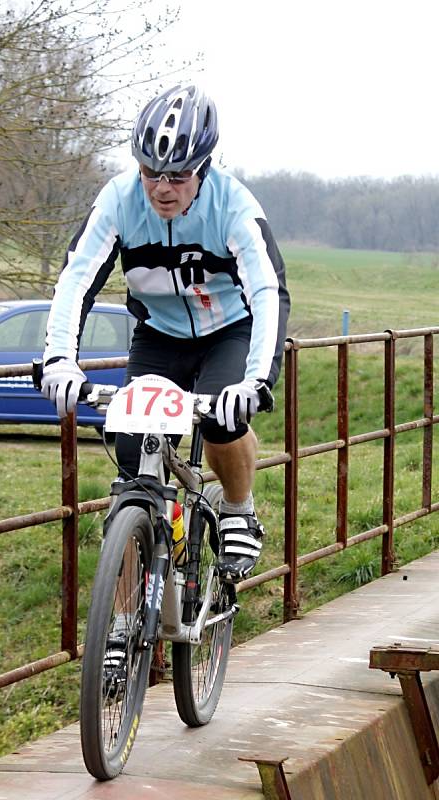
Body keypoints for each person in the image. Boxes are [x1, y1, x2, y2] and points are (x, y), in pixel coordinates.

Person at [41, 84, 290, 583]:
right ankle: (130, 616)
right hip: (159, 333)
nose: (162, 188)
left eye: (178, 175)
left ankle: (239, 508)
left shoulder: (235, 206)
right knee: (133, 457)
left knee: (221, 417)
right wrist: (59, 359)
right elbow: (77, 279)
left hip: (228, 330)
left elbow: (268, 292)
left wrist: (257, 382)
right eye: (151, 171)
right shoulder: (118, 199)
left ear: (203, 166)